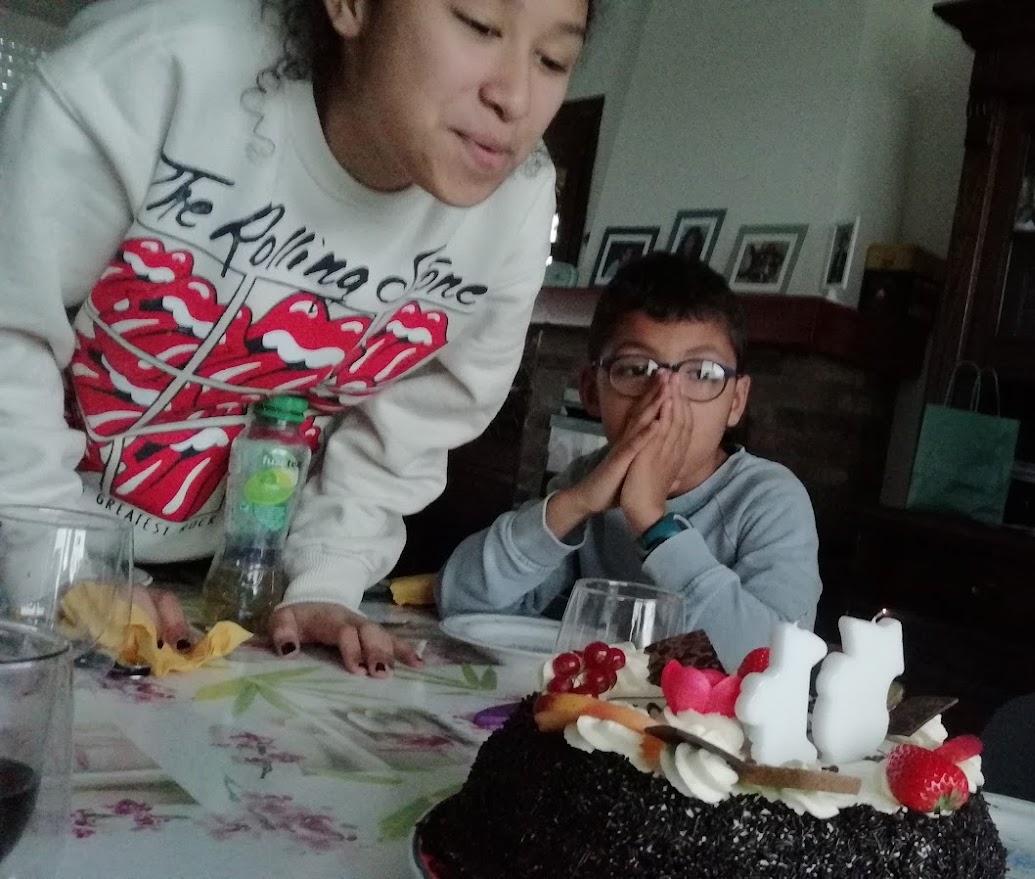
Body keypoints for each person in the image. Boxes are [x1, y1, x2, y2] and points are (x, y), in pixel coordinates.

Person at [0, 0, 593, 676]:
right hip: (24, 528)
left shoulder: (516, 203)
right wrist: (61, 566)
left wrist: (325, 581)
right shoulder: (153, 71)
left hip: (230, 576)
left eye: (553, 60)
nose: (514, 97)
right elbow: (9, 332)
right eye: (480, 26)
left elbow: (408, 436)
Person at [437, 253, 822, 670]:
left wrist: (653, 521)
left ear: (736, 401)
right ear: (591, 391)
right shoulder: (589, 482)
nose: (666, 399)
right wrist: (574, 503)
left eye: (702, 373)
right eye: (637, 369)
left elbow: (772, 663)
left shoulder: (770, 499)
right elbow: (462, 602)